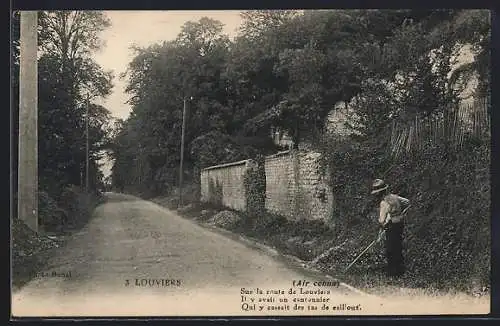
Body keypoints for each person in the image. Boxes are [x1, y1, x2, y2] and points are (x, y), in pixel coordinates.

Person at [371, 179, 411, 277]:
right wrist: (400, 212)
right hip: (400, 224)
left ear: (380, 193)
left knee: (390, 249)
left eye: (377, 193)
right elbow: (407, 202)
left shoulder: (383, 203)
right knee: (398, 247)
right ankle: (400, 271)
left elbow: (381, 220)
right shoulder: (395, 197)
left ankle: (393, 273)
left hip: (391, 226)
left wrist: (382, 227)